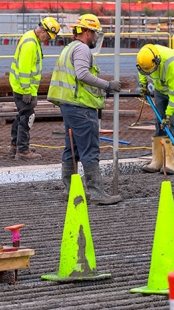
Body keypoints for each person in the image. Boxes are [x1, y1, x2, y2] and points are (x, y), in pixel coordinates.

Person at [47, 14, 122, 205]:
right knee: (89, 148)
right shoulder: (81, 49)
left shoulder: (69, 48)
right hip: (81, 107)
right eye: (95, 33)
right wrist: (107, 85)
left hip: (69, 105)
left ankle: (70, 189)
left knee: (72, 148)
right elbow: (82, 74)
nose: (96, 38)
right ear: (86, 32)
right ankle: (96, 192)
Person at [8, 17, 60, 161]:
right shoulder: (31, 44)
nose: (48, 39)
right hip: (23, 88)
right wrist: (27, 91)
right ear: (43, 30)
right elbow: (25, 70)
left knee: (22, 115)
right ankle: (22, 150)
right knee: (27, 117)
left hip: (21, 86)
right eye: (48, 36)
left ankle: (15, 146)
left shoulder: (31, 38)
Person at [137, 43, 174, 175]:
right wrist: (143, 84)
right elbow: (142, 70)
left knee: (172, 122)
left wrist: (168, 115)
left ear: (157, 61)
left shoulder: (171, 64)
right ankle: (157, 161)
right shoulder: (145, 57)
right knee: (158, 122)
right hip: (160, 88)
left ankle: (170, 162)